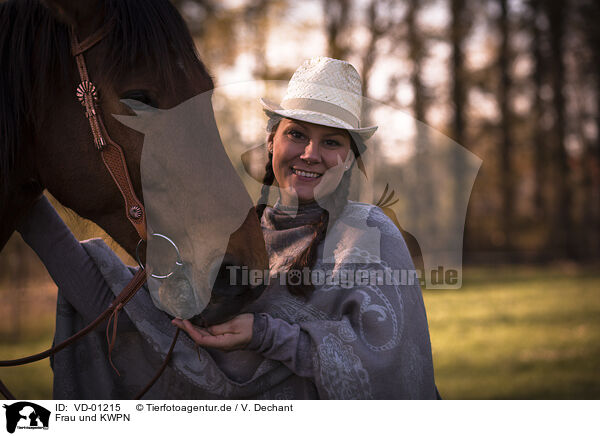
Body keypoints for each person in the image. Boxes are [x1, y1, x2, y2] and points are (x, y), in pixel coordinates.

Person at [16, 57, 438, 399]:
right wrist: (21, 191)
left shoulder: (368, 234)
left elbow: (386, 367)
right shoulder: (239, 234)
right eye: (297, 134)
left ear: (348, 158)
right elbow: (134, 318)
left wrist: (264, 335)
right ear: (272, 141)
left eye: (332, 142)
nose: (310, 154)